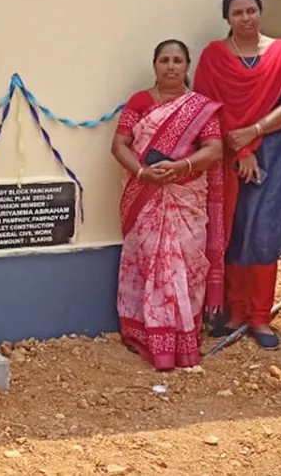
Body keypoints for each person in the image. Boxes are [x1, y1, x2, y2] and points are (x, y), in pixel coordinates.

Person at [194, 0, 281, 350]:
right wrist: (239, 148)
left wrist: (255, 134)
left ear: (260, 11)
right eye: (237, 13)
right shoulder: (213, 57)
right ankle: (235, 310)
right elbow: (207, 107)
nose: (245, 18)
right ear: (227, 18)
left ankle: (260, 315)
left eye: (251, 11)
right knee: (234, 228)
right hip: (228, 154)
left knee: (265, 230)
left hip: (274, 150)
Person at [111, 40, 225, 369]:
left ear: (188, 66)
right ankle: (146, 334)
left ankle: (182, 338)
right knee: (149, 263)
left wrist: (181, 168)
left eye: (178, 60)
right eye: (164, 60)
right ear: (155, 65)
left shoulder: (200, 107)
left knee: (187, 266)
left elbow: (214, 149)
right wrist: (143, 173)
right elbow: (119, 144)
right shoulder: (140, 101)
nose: (171, 66)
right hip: (144, 197)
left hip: (186, 197)